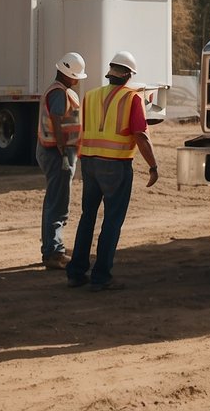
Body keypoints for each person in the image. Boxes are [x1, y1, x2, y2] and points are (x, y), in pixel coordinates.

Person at [66, 50, 161, 292]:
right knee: (112, 220)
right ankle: (101, 277)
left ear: (110, 72)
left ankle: (76, 273)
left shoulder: (90, 96)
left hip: (89, 163)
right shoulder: (132, 99)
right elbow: (141, 135)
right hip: (116, 165)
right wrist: (153, 165)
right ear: (129, 75)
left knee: (87, 217)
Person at [36, 51, 86, 270]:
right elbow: (57, 119)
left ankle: (52, 248)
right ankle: (53, 252)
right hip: (58, 154)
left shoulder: (59, 91)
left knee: (53, 201)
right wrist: (63, 150)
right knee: (58, 204)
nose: (78, 79)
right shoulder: (59, 94)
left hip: (55, 151)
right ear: (68, 74)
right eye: (76, 75)